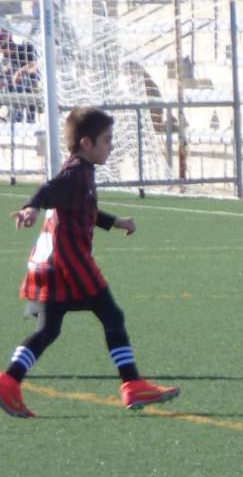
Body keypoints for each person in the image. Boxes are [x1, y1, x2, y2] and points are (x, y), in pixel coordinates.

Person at [0, 108, 180, 418]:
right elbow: (48, 190)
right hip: (70, 264)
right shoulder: (76, 173)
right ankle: (132, 383)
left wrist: (116, 222)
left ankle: (8, 381)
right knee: (112, 315)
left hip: (49, 265)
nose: (110, 146)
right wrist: (31, 206)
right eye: (107, 140)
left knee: (49, 329)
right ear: (86, 142)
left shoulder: (80, 172)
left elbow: (83, 211)